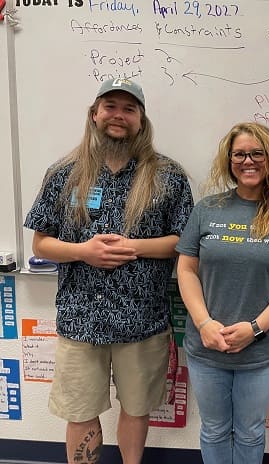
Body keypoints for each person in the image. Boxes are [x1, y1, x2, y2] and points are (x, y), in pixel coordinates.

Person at [24, 78, 194, 464]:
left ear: (141, 120)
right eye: (111, 107)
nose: (119, 116)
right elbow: (41, 244)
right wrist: (84, 252)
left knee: (136, 409)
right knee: (81, 410)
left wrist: (132, 248)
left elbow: (184, 241)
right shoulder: (64, 172)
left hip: (143, 319)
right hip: (80, 318)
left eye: (129, 109)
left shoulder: (168, 175)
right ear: (95, 114)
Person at [175, 122, 269, 464]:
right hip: (207, 345)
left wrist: (254, 329)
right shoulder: (207, 209)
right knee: (214, 429)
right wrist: (204, 323)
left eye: (256, 153)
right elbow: (186, 269)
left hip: (261, 349)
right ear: (229, 160)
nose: (247, 161)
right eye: (239, 154)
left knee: (250, 431)